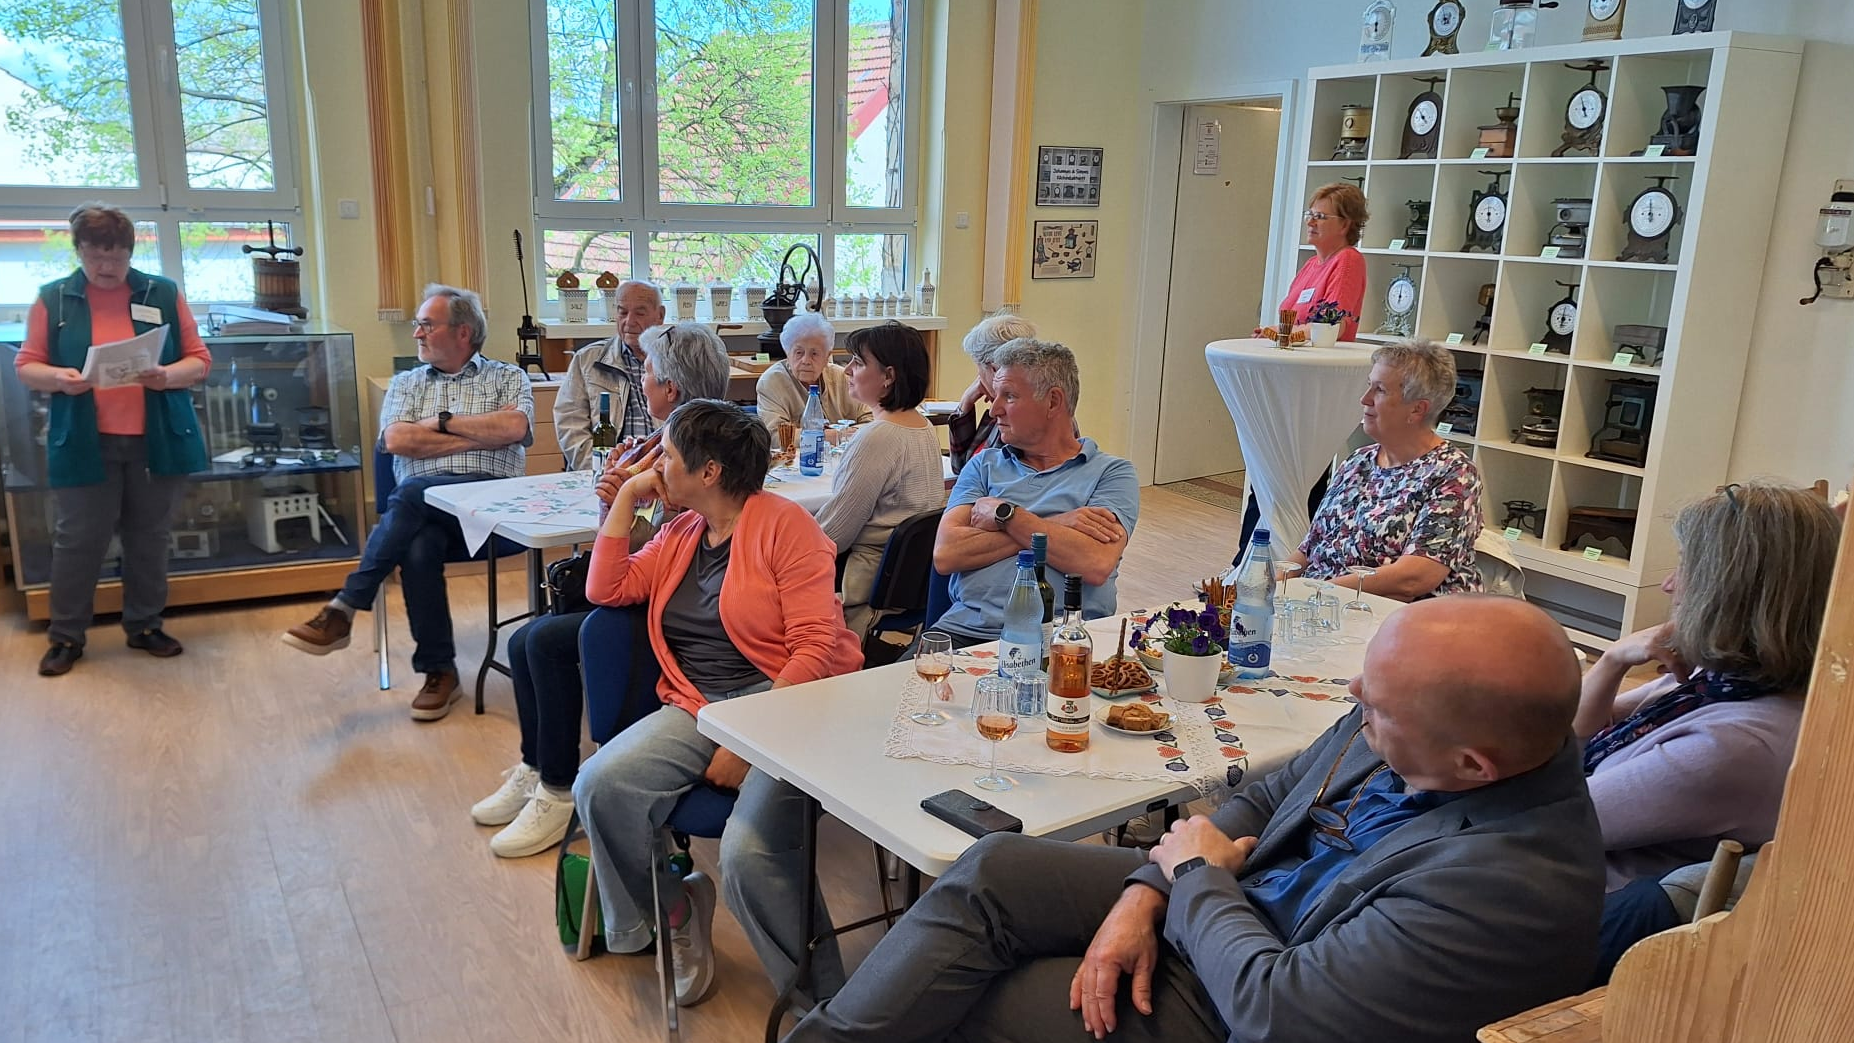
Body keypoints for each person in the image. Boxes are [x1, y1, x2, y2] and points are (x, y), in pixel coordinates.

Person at [783, 596, 1606, 1043]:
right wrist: (1147, 893)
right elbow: (1264, 799)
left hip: (1244, 992)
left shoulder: (1508, 885)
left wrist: (1194, 879)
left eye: (1378, 707)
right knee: (997, 866)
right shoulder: (1419, 723)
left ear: (1474, 766)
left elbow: (1277, 1012)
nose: (1355, 701)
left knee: (983, 995)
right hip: (1231, 907)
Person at [572, 399, 863, 1008]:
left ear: (708, 472)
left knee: (748, 854)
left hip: (786, 703)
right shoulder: (684, 531)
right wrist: (626, 499)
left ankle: (824, 1007)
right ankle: (674, 911)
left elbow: (815, 650)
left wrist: (749, 744)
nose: (658, 466)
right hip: (701, 704)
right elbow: (607, 587)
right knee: (599, 784)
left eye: (667, 456)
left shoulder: (788, 529)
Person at [471, 322, 730, 859]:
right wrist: (614, 502)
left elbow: (662, 545)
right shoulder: (663, 443)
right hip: (658, 584)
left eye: (648, 373)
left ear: (670, 389)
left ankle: (558, 789)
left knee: (544, 642)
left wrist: (621, 502)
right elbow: (634, 544)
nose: (642, 381)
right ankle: (539, 765)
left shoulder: (692, 454)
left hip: (682, 605)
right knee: (525, 640)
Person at [280, 285, 532, 720]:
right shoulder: (406, 383)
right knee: (418, 545)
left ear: (463, 333)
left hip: (490, 504)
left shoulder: (507, 377)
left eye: (427, 325)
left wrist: (441, 423)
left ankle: (347, 605)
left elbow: (513, 428)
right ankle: (440, 672)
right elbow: (396, 440)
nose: (417, 333)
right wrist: (477, 436)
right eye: (418, 324)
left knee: (413, 492)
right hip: (425, 512)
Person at [1575, 481, 1838, 892]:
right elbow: (1569, 732)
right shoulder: (1728, 680)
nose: (1668, 584)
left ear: (1733, 592)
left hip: (1565, 899)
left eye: (1685, 565)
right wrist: (1612, 661)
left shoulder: (1732, 746)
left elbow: (1543, 820)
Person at [16, 203, 211, 677]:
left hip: (156, 438)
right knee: (79, 540)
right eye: (95, 255)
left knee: (149, 537)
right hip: (86, 439)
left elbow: (199, 360)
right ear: (78, 250)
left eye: (117, 256)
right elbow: (26, 365)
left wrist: (166, 375)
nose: (107, 266)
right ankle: (66, 636)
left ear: (130, 251)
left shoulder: (161, 292)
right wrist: (59, 378)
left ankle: (145, 625)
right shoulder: (54, 298)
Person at [931, 338, 1139, 647]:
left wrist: (1006, 516)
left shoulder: (1112, 473)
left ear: (1053, 402)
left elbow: (1094, 563)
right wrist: (1060, 523)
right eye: (996, 395)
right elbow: (947, 554)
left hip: (1065, 640)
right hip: (966, 633)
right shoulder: (983, 466)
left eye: (1009, 396)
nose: (994, 410)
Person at [1280, 340, 1482, 601]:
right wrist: (1270, 583)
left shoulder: (1453, 474)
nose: (1364, 399)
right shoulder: (1358, 462)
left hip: (1395, 613)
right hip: (1322, 601)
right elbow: (1309, 548)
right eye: (1369, 385)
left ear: (1417, 409)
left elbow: (1414, 577)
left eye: (1380, 390)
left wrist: (1316, 592)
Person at [813, 322, 948, 637]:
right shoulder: (923, 427)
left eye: (858, 363)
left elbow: (834, 534)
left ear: (888, 376)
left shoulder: (878, 436)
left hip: (867, 581)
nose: (847, 371)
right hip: (909, 581)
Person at [554, 280, 664, 469]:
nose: (629, 321)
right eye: (622, 312)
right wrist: (601, 470)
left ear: (660, 315)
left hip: (661, 469)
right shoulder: (587, 360)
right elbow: (570, 426)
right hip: (607, 469)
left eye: (640, 313)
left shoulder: (675, 361)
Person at [1256, 181, 1369, 341]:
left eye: (1320, 217)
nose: (1310, 222)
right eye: (1309, 215)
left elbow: (1330, 326)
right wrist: (1269, 334)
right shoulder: (1310, 264)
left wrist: (1280, 333)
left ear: (1344, 225)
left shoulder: (1348, 260)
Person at [756, 311, 871, 440]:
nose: (806, 361)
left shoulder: (843, 377)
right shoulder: (771, 382)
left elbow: (872, 421)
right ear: (787, 353)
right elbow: (775, 436)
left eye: (814, 354)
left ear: (827, 357)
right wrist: (836, 435)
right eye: (799, 352)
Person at [947, 313, 1039, 473]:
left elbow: (975, 475)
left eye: (979, 369)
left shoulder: (1019, 416)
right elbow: (960, 467)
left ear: (994, 369)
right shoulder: (1002, 407)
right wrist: (966, 402)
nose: (978, 378)